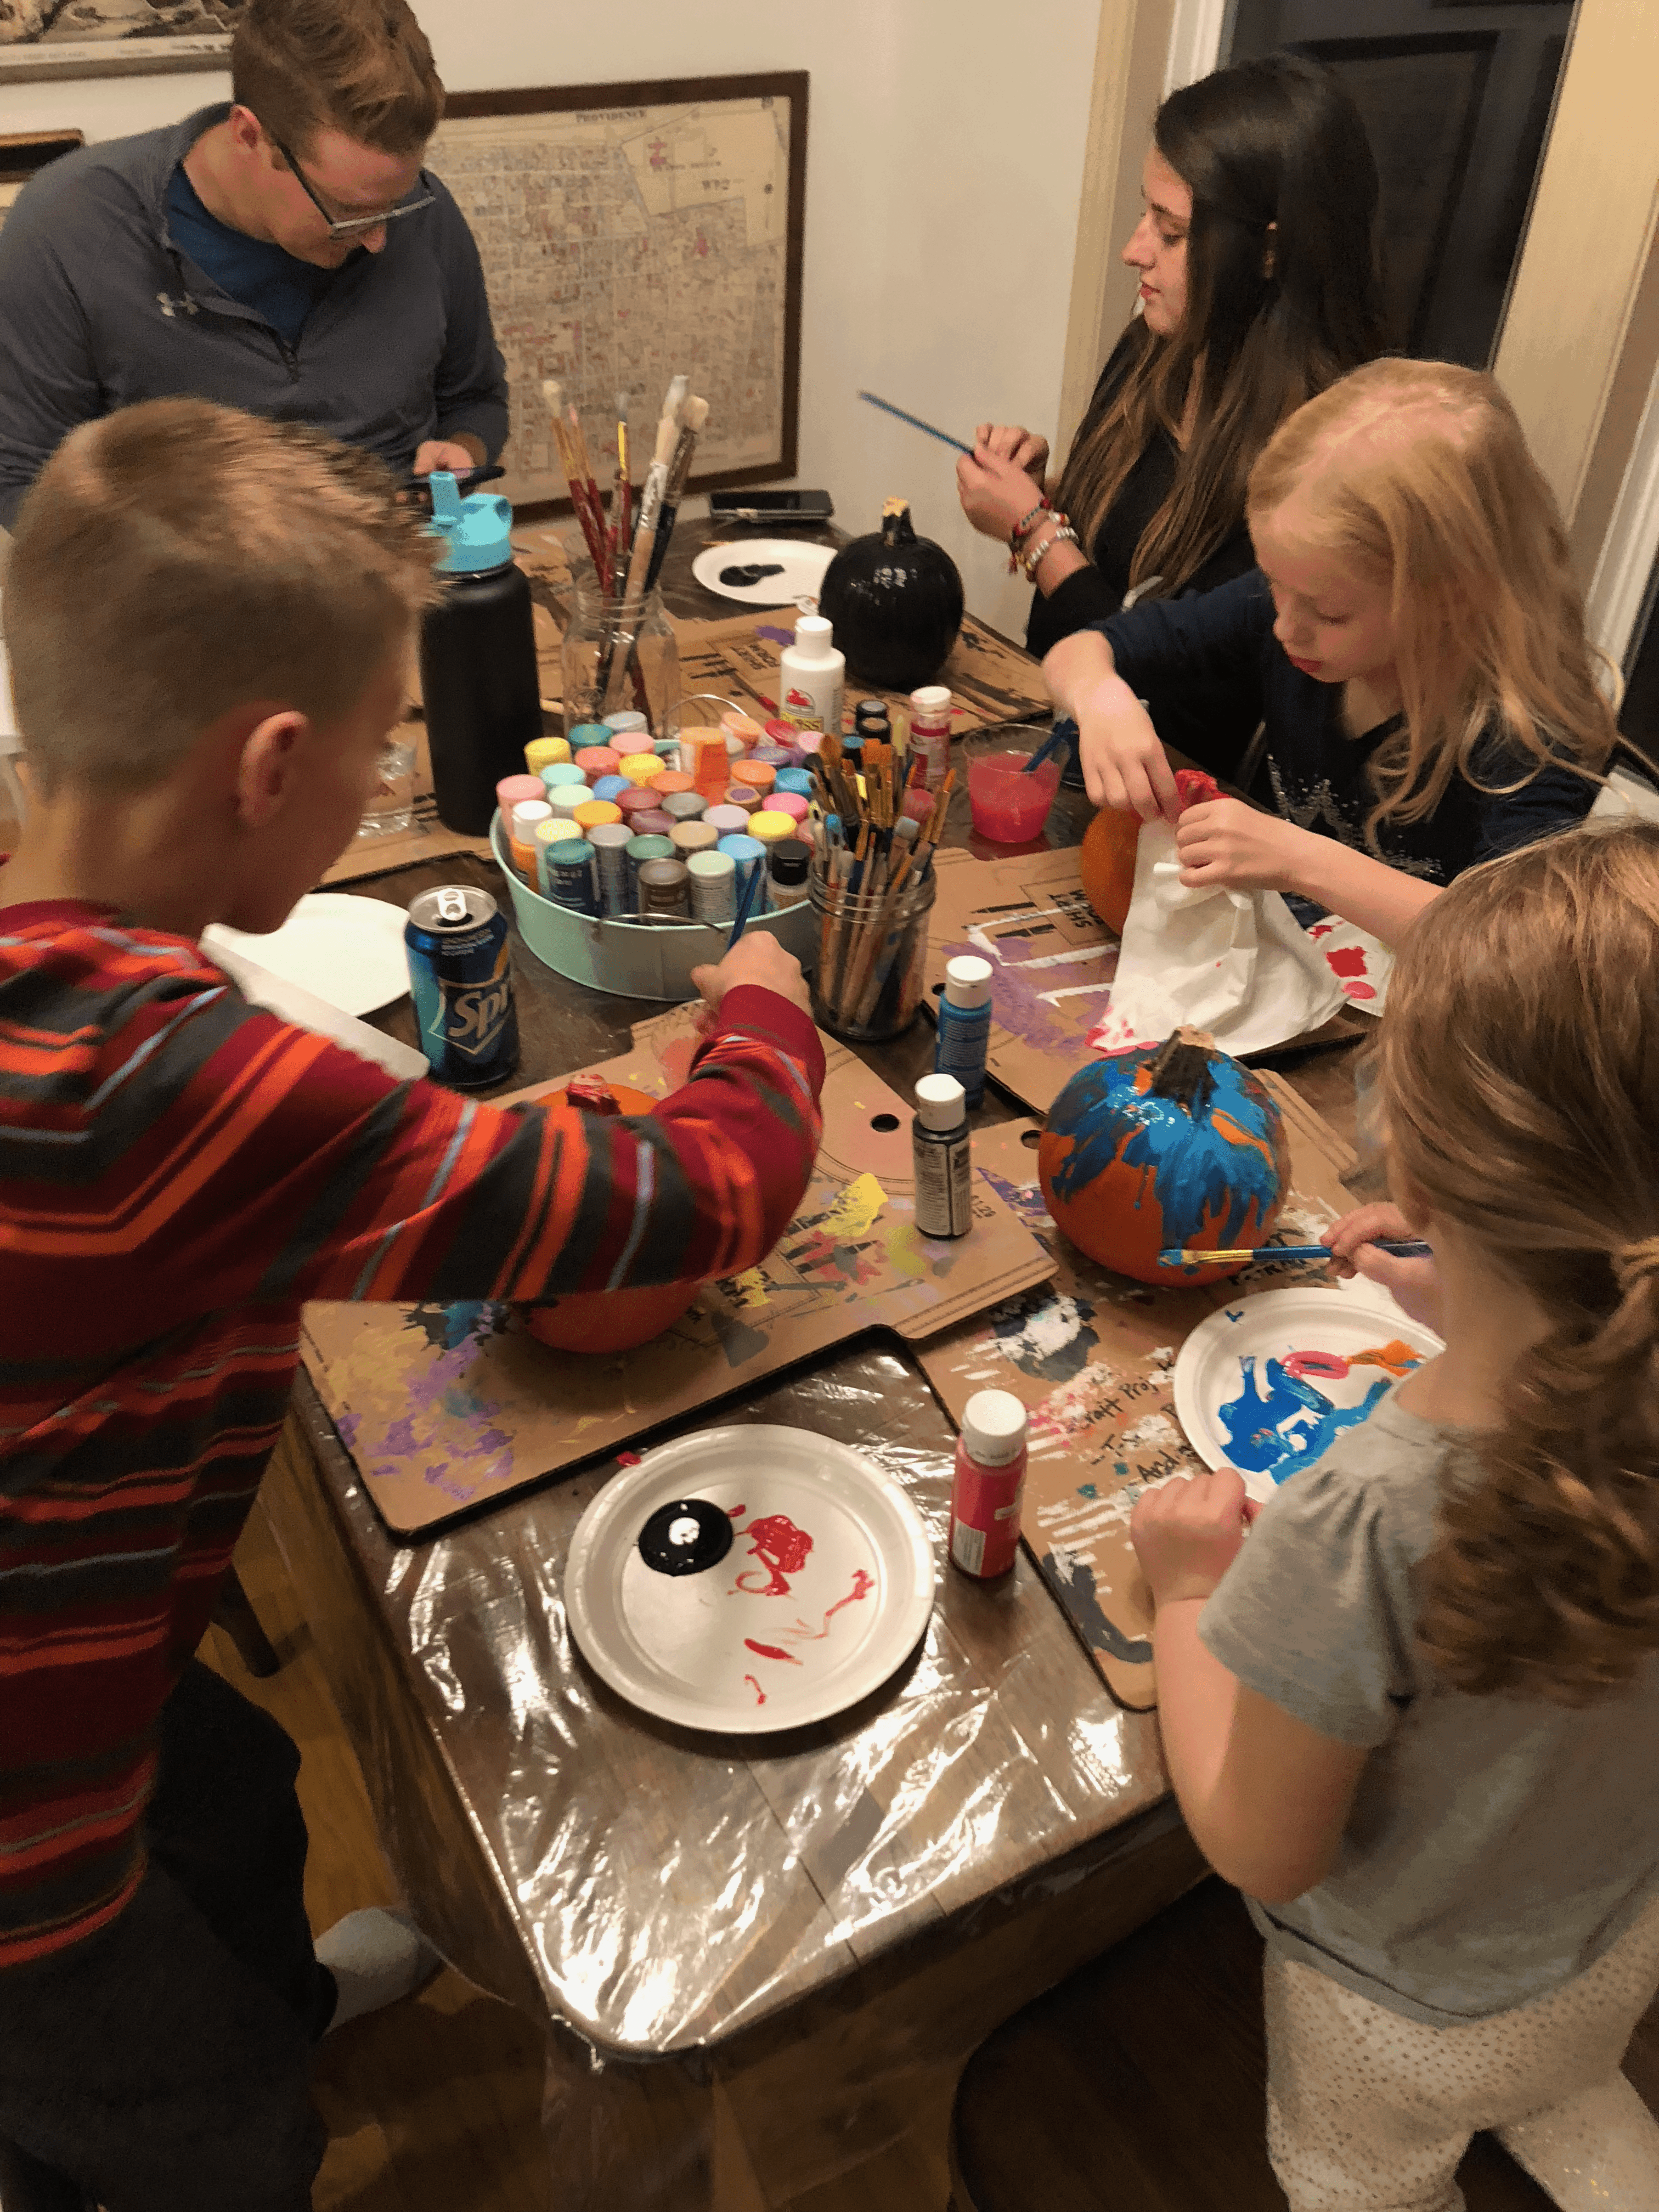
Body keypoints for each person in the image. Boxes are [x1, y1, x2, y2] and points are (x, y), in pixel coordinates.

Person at [0, 398, 823, 2210]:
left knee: (225, 1799)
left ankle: (269, 1991)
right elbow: (696, 1196)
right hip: (24, 1852)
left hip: (96, 1659)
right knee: (185, 2134)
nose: (387, 778)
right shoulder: (157, 1090)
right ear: (267, 764)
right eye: (379, 749)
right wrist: (763, 1004)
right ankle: (221, 2110)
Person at [1129, 821, 1659, 2211]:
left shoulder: (1365, 1518)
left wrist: (1189, 1591)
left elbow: (1258, 1846)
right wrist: (1476, 1302)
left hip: (1396, 2015)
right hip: (1614, 1941)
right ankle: (1587, 2126)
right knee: (1552, 2066)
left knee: (1364, 2178)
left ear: (1410, 1170)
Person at [1045, 357, 1621, 944]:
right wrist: (1101, 699)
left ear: (1450, 598)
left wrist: (1303, 862)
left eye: (1330, 613)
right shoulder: (1293, 606)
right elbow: (1079, 651)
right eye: (1273, 582)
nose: (1284, 628)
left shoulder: (1530, 738)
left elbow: (1514, 947)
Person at [0, 0, 506, 534]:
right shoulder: (71, 228)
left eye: (397, 201)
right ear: (249, 135)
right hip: (183, 601)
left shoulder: (425, 214)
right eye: (348, 211)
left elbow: (475, 398)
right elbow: (22, 479)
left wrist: (462, 451)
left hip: (404, 586)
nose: (380, 238)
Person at [956, 53, 1387, 666]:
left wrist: (1034, 533)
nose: (1135, 250)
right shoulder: (1151, 349)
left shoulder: (1325, 453)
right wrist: (1048, 494)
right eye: (1145, 215)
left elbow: (1183, 687)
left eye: (1172, 231)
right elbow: (1132, 561)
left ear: (1269, 250)